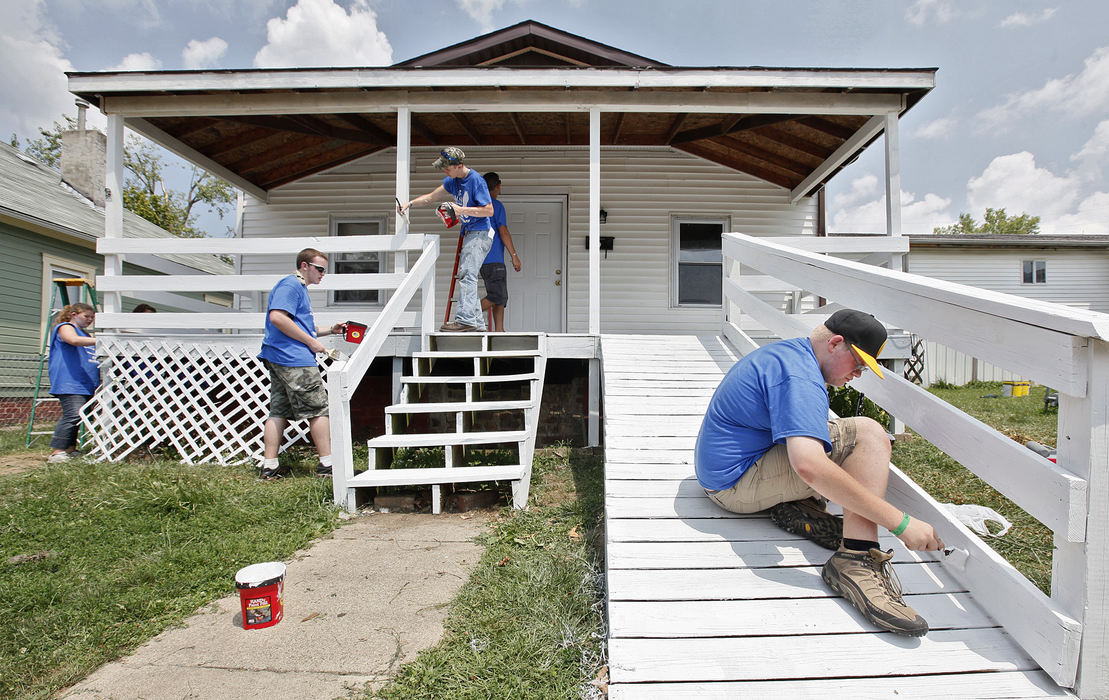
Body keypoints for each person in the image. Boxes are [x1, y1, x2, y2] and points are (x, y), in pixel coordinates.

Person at [695, 308, 945, 637]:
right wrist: (900, 522)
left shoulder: (791, 355)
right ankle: (856, 560)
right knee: (869, 435)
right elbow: (808, 465)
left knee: (829, 437)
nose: (858, 374)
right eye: (858, 363)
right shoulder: (800, 377)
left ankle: (800, 504)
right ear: (836, 343)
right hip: (735, 484)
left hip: (726, 472)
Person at [258, 248, 345, 479]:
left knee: (278, 411)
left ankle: (269, 467)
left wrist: (330, 330)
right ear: (304, 266)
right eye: (320, 269)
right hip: (294, 358)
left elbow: (303, 326)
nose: (323, 274)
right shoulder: (291, 285)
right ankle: (327, 466)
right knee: (319, 409)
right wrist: (313, 344)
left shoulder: (298, 288)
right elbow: (277, 317)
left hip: (278, 356)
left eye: (324, 270)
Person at [399, 147, 495, 332]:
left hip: (481, 233)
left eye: (447, 168)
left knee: (467, 273)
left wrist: (460, 210)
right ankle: (478, 324)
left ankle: (466, 321)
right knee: (469, 275)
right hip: (470, 233)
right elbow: (430, 198)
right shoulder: (453, 181)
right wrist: (409, 204)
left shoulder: (476, 180)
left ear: (459, 166)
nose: (445, 171)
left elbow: (489, 210)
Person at [46, 303, 99, 463]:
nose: (89, 320)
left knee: (80, 415)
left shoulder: (86, 335)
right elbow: (73, 340)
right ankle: (58, 451)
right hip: (69, 381)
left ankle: (70, 449)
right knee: (73, 414)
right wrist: (101, 340)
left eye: (92, 317)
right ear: (74, 314)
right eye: (86, 316)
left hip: (85, 383)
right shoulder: (66, 327)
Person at [478, 172, 521, 332]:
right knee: (498, 296)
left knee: (498, 296)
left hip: (482, 261)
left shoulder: (478, 207)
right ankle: (466, 316)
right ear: (497, 186)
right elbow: (503, 232)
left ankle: (499, 330)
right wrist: (514, 256)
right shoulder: (495, 205)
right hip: (494, 260)